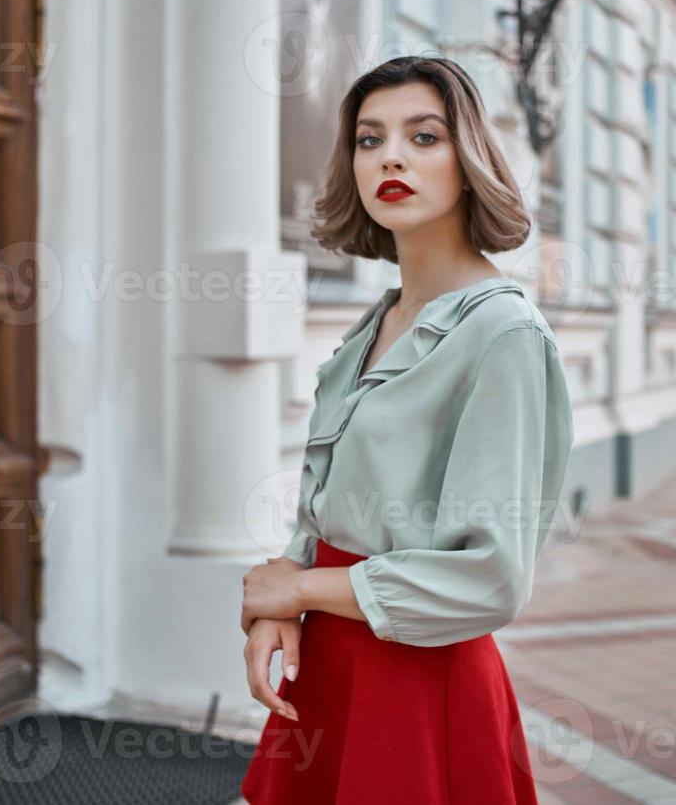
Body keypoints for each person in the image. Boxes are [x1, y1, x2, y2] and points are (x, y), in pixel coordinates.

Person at [238, 56, 574, 805]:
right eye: (368, 139)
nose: (390, 155)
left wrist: (301, 586)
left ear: (469, 159)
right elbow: (332, 507)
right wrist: (277, 606)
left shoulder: (503, 333)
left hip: (420, 686)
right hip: (330, 667)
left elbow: (489, 577)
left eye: (424, 136)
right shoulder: (376, 325)